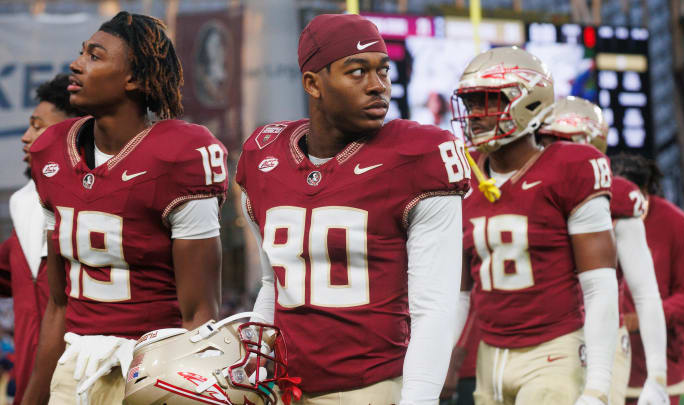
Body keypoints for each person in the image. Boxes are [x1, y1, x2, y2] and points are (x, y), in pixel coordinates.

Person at [235, 13, 470, 405]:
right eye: (358, 71)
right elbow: (273, 285)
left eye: (383, 70)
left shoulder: (419, 155)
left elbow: (433, 309)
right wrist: (252, 370)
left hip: (372, 390)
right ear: (313, 83)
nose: (378, 86)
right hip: (286, 391)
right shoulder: (264, 154)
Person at [22, 12, 228, 405]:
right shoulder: (51, 151)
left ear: (133, 78)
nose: (76, 63)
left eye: (95, 56)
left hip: (153, 367)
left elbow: (200, 312)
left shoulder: (179, 155)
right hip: (75, 367)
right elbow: (58, 304)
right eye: (82, 52)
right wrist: (35, 395)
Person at [451, 46, 619, 405]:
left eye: (487, 101)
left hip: (553, 349)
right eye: (470, 104)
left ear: (528, 102)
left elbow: (600, 285)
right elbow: (458, 293)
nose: (475, 116)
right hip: (489, 354)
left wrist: (598, 386)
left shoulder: (570, 167)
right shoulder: (465, 176)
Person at [538, 96, 669, 405]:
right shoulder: (526, 189)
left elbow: (646, 292)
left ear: (588, 143)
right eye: (544, 140)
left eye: (560, 141)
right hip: (542, 338)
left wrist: (658, 376)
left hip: (602, 334)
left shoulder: (619, 195)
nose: (549, 150)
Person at [0, 74, 82, 405]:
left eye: (38, 126)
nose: (25, 137)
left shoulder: (96, 205)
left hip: (77, 384)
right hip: (29, 387)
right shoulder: (23, 204)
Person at [611, 154, 684, 405]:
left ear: (644, 189)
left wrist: (648, 315)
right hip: (604, 360)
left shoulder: (676, 223)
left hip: (659, 361)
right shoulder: (594, 217)